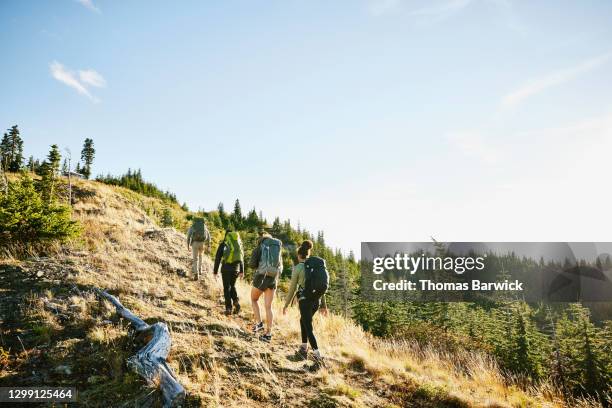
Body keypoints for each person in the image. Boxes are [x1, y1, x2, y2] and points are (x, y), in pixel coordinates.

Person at [283, 240, 328, 367]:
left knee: (308, 326)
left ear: (299, 255)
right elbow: (321, 287)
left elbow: (292, 288)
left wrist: (286, 305)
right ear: (308, 254)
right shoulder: (314, 268)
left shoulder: (298, 268)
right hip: (316, 300)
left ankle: (317, 355)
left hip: (305, 300)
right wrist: (324, 305)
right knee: (303, 321)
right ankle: (303, 349)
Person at [249, 231, 283, 342]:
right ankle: (268, 334)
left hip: (261, 276)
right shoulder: (277, 248)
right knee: (268, 306)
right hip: (273, 278)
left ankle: (259, 323)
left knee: (254, 299)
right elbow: (280, 266)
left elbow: (252, 264)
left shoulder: (260, 247)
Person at [213, 230, 244, 315]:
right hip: (236, 269)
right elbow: (241, 259)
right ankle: (236, 302)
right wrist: (242, 271)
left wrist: (215, 271)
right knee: (232, 286)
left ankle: (228, 308)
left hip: (226, 268)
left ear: (226, 236)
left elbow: (218, 258)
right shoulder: (238, 245)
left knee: (227, 288)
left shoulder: (223, 244)